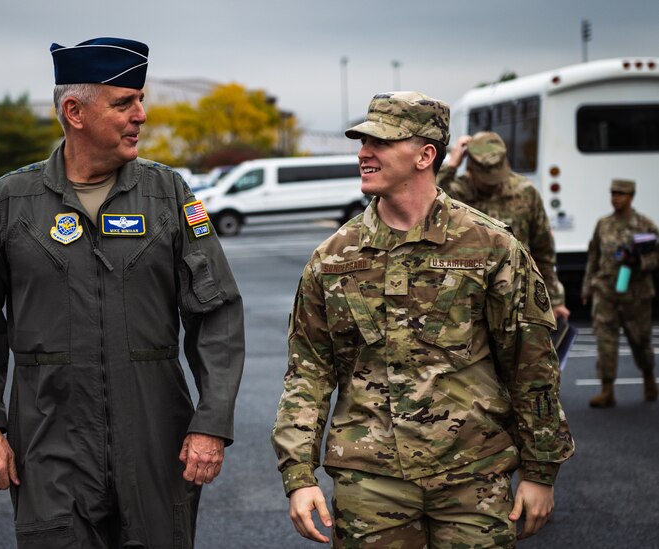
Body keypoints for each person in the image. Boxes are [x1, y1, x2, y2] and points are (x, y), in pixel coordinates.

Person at [0, 37, 245, 548]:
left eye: (140, 100)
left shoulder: (167, 193)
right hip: (48, 438)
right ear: (74, 111)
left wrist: (211, 423)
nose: (141, 116)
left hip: (154, 437)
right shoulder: (12, 199)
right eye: (124, 102)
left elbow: (215, 313)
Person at [271, 92, 574, 548]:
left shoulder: (490, 247)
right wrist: (298, 474)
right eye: (361, 142)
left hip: (473, 476)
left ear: (425, 155)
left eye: (381, 143)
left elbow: (531, 366)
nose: (363, 153)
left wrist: (540, 470)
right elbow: (308, 372)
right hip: (370, 483)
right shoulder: (333, 257)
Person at [437, 132, 570, 321]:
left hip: (517, 298)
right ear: (471, 168)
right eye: (485, 178)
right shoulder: (456, 193)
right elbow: (427, 203)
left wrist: (554, 300)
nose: (492, 183)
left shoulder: (525, 192)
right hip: (467, 300)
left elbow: (544, 250)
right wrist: (451, 165)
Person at [581, 178, 658, 408]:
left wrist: (639, 262)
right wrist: (587, 287)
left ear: (631, 196)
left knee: (640, 341)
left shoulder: (644, 225)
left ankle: (648, 378)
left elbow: (656, 256)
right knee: (605, 341)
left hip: (636, 294)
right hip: (605, 292)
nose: (616, 197)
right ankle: (607, 390)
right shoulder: (603, 224)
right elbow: (593, 256)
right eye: (613, 193)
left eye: (621, 194)